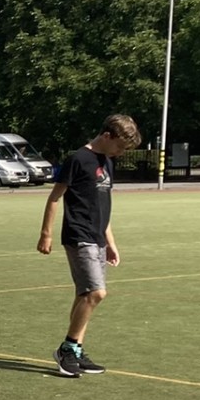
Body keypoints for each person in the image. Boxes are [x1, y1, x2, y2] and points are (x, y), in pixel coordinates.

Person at [37, 112, 142, 377]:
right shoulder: (78, 159)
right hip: (78, 234)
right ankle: (67, 349)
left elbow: (102, 207)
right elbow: (54, 198)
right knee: (96, 293)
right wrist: (46, 234)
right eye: (119, 146)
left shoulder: (107, 162)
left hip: (97, 237)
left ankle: (76, 350)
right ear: (106, 135)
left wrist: (111, 242)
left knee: (84, 294)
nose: (120, 153)